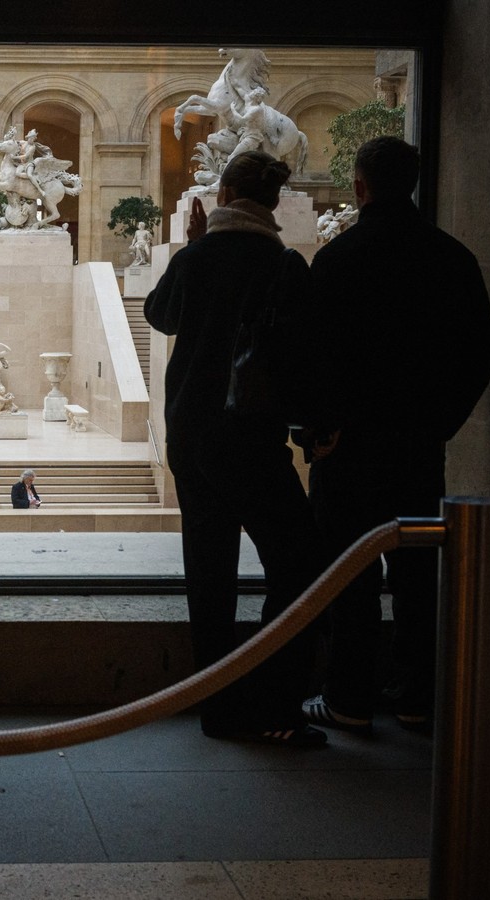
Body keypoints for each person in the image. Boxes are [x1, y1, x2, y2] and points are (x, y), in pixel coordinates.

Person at [299, 137, 490, 735]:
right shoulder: (452, 257)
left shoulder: (338, 260)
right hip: (416, 446)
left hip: (351, 448)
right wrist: (440, 424)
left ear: (360, 187)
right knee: (418, 578)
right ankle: (415, 697)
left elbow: (312, 359)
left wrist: (319, 431)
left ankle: (349, 699)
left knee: (347, 575)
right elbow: (480, 353)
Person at [145, 150, 326, 747]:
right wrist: (314, 426)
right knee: (299, 565)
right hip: (248, 438)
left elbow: (160, 315)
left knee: (209, 572)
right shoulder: (282, 265)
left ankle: (219, 706)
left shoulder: (197, 257)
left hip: (191, 440)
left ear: (221, 194)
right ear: (272, 204)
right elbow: (302, 361)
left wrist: (189, 248)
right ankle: (275, 700)